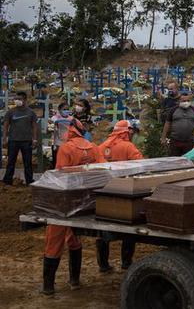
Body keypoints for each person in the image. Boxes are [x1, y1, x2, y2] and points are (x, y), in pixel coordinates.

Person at [42, 124, 103, 295]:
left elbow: (62, 175)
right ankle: (74, 281)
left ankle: (48, 286)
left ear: (69, 132)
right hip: (85, 201)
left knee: (54, 240)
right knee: (74, 239)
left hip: (65, 201)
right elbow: (102, 172)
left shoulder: (66, 148)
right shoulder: (94, 148)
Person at [95, 120, 141, 272]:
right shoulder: (128, 146)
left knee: (102, 229)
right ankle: (126, 263)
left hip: (104, 193)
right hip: (125, 193)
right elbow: (141, 166)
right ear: (126, 132)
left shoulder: (101, 146)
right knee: (128, 230)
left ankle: (103, 265)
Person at [2, 91, 38, 186]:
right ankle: (7, 180)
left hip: (26, 141)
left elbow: (34, 127)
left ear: (25, 100)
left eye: (19, 99)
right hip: (13, 140)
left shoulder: (31, 113)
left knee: (28, 163)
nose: (17, 101)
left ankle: (29, 180)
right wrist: (4, 138)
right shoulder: (10, 112)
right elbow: (5, 126)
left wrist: (34, 139)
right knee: (11, 162)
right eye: (16, 99)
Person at [161, 92, 194, 157]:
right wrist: (163, 137)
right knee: (174, 160)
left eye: (188, 101)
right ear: (179, 101)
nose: (186, 102)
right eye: (184, 101)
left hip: (189, 141)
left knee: (188, 160)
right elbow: (167, 123)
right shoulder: (173, 110)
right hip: (175, 141)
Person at [50, 103, 75, 170]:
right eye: (64, 109)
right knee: (57, 158)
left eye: (67, 109)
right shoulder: (54, 118)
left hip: (68, 141)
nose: (66, 111)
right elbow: (50, 127)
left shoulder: (71, 119)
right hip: (57, 141)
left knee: (67, 159)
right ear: (59, 110)